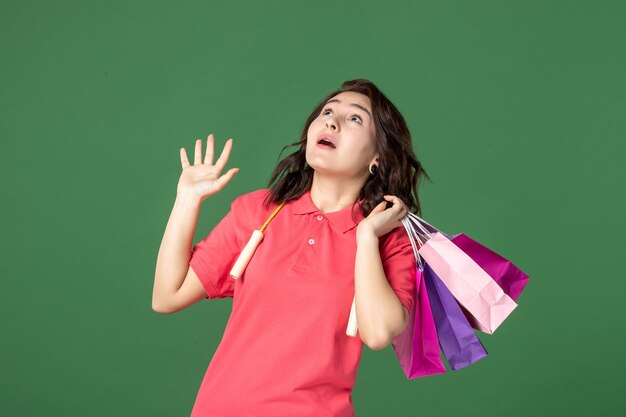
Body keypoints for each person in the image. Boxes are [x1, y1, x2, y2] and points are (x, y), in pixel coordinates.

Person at [152, 79, 431, 417]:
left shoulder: (389, 240)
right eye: (328, 111)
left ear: (378, 157)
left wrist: (368, 236)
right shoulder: (258, 211)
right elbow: (167, 296)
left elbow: (378, 333)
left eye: (355, 118)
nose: (331, 121)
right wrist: (186, 200)